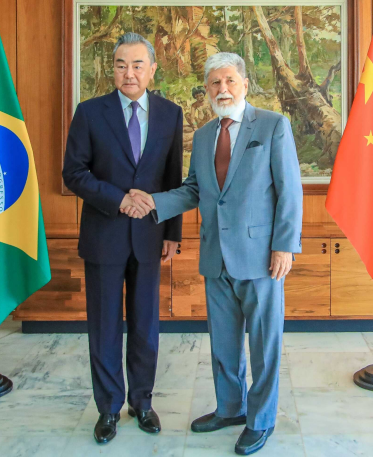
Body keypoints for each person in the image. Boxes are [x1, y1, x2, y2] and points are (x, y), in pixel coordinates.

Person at [124, 52, 303, 455]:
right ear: (206, 90)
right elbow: (193, 189)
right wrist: (153, 202)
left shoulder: (273, 126)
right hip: (215, 255)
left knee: (263, 344)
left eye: (229, 81)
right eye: (214, 84)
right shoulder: (204, 135)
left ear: (244, 85)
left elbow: (290, 190)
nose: (222, 89)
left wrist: (284, 246)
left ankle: (261, 420)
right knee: (223, 343)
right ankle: (230, 408)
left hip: (261, 258)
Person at [62, 32, 183, 445]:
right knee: (105, 326)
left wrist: (173, 233)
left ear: (152, 69)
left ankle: (143, 403)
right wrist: (120, 199)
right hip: (104, 236)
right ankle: (109, 408)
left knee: (147, 326)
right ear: (112, 69)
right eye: (120, 65)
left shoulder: (170, 113)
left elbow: (173, 179)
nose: (128, 73)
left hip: (150, 237)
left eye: (136, 65)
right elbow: (74, 173)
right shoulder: (90, 113)